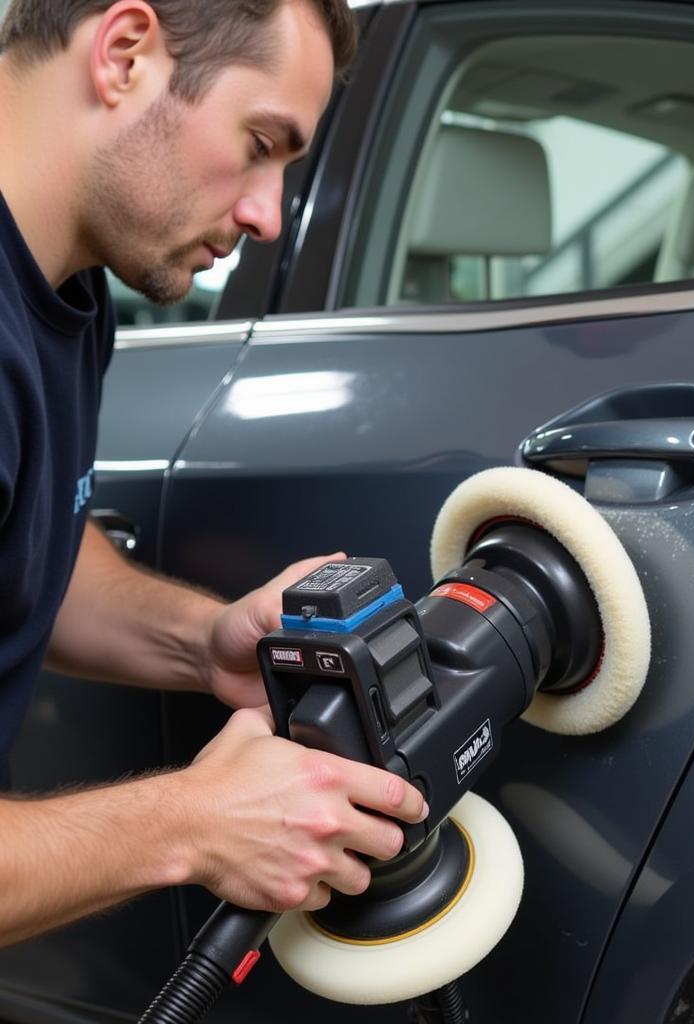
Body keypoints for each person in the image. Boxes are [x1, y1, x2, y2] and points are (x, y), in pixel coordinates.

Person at [0, 0, 427, 949]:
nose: (269, 217)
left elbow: (32, 548)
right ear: (124, 54)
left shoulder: (67, 291)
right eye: (261, 142)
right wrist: (193, 823)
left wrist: (205, 642)